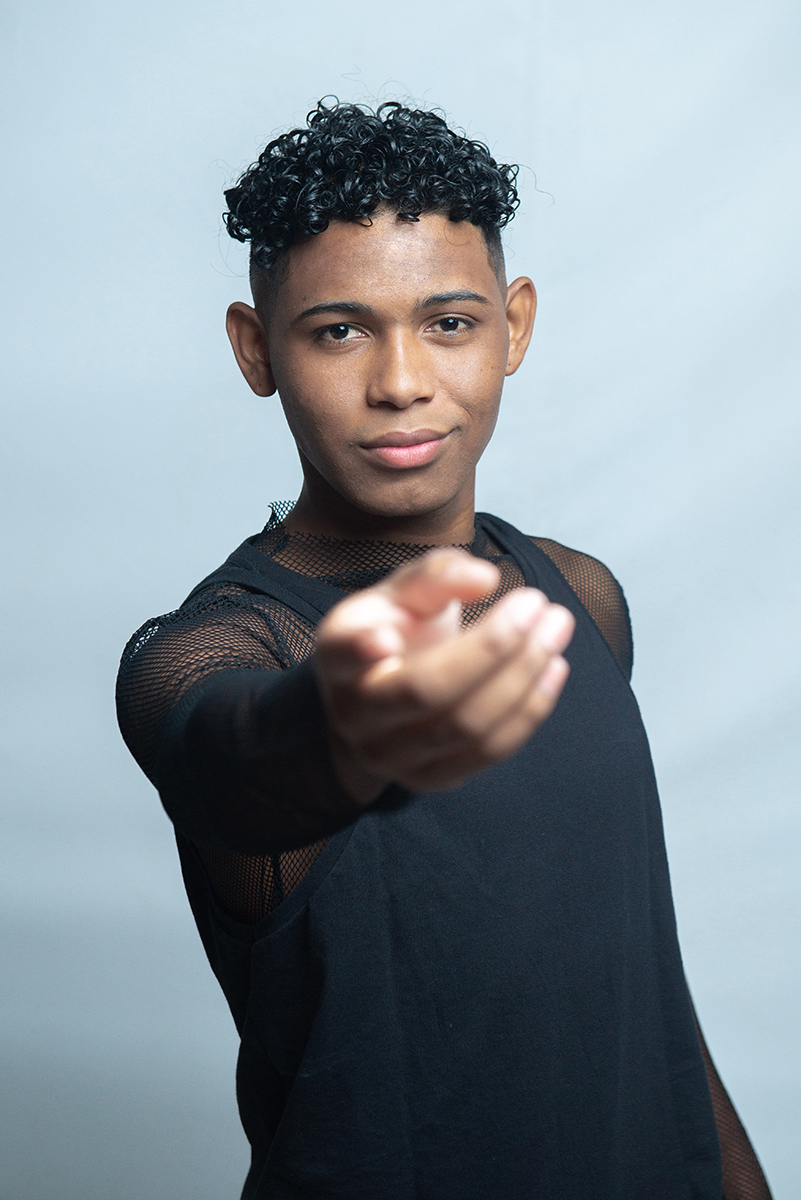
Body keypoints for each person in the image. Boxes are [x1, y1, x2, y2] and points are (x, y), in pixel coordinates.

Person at [116, 101, 772, 1199]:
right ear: (254, 349)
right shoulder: (224, 646)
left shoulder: (580, 599)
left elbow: (637, 997)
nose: (403, 380)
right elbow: (228, 750)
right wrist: (340, 724)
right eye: (339, 330)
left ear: (514, 325)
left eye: (450, 322)